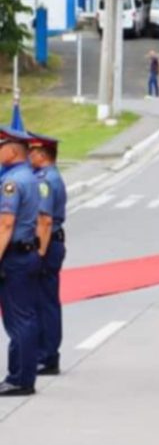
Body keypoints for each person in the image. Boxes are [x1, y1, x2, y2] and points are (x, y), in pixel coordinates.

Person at [0, 127, 41, 396]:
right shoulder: (31, 177)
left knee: (18, 319)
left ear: (13, 150)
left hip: (14, 256)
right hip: (26, 253)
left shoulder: (12, 182)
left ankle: (20, 378)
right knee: (24, 317)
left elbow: (6, 224)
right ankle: (20, 374)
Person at [27, 132, 67, 376]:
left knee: (44, 302)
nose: (28, 156)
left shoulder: (44, 181)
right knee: (45, 301)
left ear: (41, 155)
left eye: (31, 152)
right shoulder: (51, 177)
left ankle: (48, 355)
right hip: (52, 242)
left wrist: (39, 252)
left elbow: (44, 220)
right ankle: (47, 353)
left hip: (47, 243)